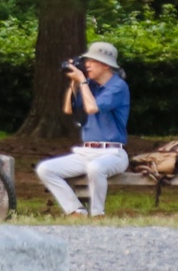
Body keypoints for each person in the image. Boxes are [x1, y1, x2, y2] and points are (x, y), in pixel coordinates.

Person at [35, 41, 131, 217]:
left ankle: (97, 214)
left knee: (95, 168)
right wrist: (74, 83)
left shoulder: (118, 86)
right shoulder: (90, 85)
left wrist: (83, 82)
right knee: (45, 169)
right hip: (86, 152)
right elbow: (68, 109)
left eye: (91, 61)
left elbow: (92, 108)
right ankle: (76, 211)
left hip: (113, 153)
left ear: (105, 65)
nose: (86, 65)